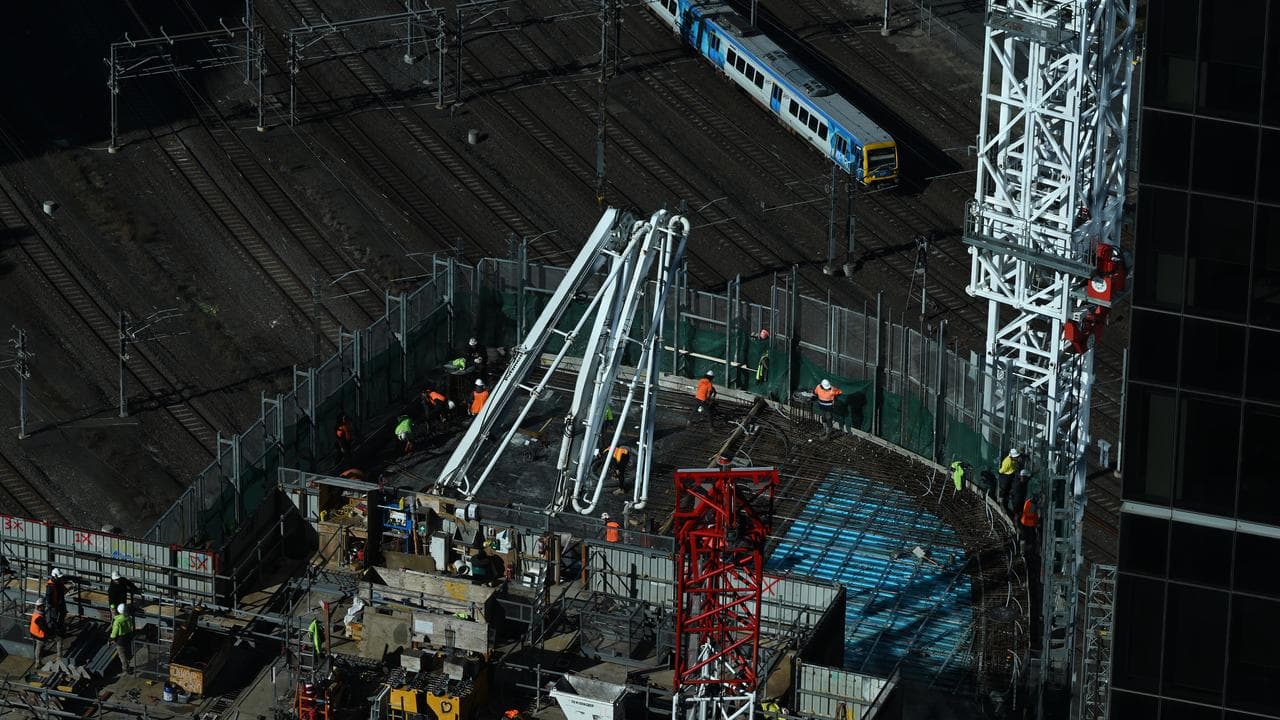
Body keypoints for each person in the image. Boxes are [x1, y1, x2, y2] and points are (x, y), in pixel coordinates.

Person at [44, 569, 72, 633]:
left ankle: (59, 626)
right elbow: (48, 598)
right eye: (59, 577)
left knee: (63, 612)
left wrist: (68, 589)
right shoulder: (50, 586)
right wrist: (51, 605)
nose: (60, 579)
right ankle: (54, 630)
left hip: (60, 601)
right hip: (54, 604)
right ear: (55, 576)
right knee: (53, 617)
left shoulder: (59, 581)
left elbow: (63, 590)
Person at [30, 598, 58, 663]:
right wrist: (51, 635)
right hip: (38, 635)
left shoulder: (36, 613)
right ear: (40, 607)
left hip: (33, 632)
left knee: (38, 646)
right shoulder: (39, 618)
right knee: (39, 647)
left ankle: (39, 656)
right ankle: (38, 661)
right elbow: (44, 629)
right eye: (43, 606)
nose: (44, 607)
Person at [109, 603, 134, 675]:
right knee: (127, 650)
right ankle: (129, 661)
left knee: (122, 655)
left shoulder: (117, 621)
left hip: (120, 640)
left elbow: (114, 633)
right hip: (127, 637)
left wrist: (110, 639)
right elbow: (131, 626)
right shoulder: (128, 618)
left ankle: (126, 669)